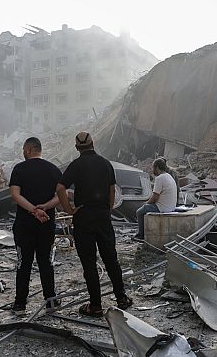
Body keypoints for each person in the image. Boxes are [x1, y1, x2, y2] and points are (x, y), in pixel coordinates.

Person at [57, 132, 133, 317]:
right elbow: (112, 189)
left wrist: (69, 209)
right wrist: (107, 208)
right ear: (93, 143)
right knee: (111, 259)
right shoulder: (105, 164)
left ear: (77, 148)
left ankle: (96, 305)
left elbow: (60, 188)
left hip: (83, 217)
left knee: (89, 263)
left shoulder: (75, 165)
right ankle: (121, 298)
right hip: (102, 216)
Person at [9, 137, 63, 315]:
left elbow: (15, 195)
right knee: (46, 262)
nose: (23, 152)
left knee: (23, 263)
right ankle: (51, 301)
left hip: (24, 225)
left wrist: (33, 210)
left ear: (28, 149)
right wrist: (45, 207)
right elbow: (61, 195)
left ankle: (20, 305)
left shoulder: (19, 169)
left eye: (24, 149)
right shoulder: (53, 169)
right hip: (46, 224)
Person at [134, 158, 178, 241]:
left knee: (140, 211)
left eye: (153, 168)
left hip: (162, 208)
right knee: (145, 208)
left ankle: (141, 235)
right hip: (171, 207)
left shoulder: (159, 178)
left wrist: (146, 204)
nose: (152, 170)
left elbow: (155, 197)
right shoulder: (168, 176)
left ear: (157, 168)